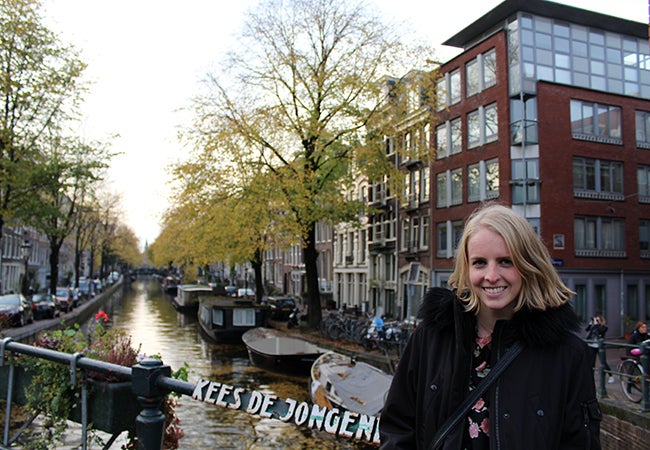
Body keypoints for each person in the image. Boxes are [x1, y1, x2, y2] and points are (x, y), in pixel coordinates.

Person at [380, 203, 601, 449]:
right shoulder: (430, 338)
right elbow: (397, 427)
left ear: (528, 265)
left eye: (506, 261)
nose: (492, 276)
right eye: (480, 263)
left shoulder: (567, 356)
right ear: (466, 268)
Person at [585, 315, 614, 383]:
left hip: (599, 346)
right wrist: (590, 324)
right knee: (591, 362)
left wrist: (595, 324)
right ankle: (591, 377)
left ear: (601, 321)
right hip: (592, 345)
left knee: (603, 362)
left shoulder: (604, 327)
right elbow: (587, 330)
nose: (596, 322)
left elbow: (601, 331)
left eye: (598, 320)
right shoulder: (593, 326)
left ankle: (610, 376)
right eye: (596, 320)